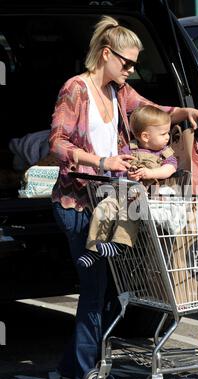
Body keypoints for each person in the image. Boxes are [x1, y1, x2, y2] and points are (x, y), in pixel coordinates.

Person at [48, 15, 198, 379]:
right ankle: (82, 375)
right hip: (78, 202)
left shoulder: (118, 92)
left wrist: (185, 113)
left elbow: (153, 109)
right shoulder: (77, 90)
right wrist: (102, 162)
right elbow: (56, 144)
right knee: (95, 287)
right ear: (106, 54)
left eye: (135, 64)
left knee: (111, 289)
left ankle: (69, 366)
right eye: (126, 62)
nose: (131, 70)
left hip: (112, 200)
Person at [77, 105, 176, 268]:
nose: (168, 137)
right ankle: (94, 249)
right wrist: (128, 175)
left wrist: (150, 174)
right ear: (145, 136)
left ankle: (119, 244)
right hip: (121, 192)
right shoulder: (128, 150)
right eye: (164, 133)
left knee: (129, 213)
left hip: (145, 197)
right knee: (102, 209)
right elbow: (117, 172)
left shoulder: (165, 153)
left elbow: (170, 169)